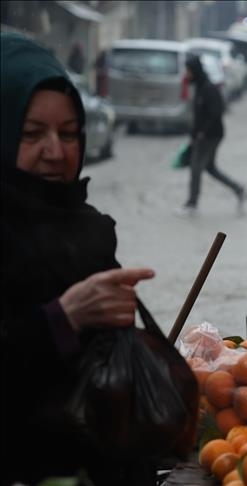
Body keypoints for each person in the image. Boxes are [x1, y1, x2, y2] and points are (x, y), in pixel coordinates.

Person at [0, 33, 157, 484]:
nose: (57, 151)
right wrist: (63, 317)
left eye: (69, 133)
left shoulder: (89, 227)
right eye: (32, 134)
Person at [178, 55, 246, 216]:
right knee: (210, 168)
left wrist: (202, 132)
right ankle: (239, 189)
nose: (186, 74)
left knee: (196, 169)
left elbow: (217, 113)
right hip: (202, 136)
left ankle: (192, 204)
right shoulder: (200, 87)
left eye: (188, 71)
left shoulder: (209, 89)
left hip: (210, 136)